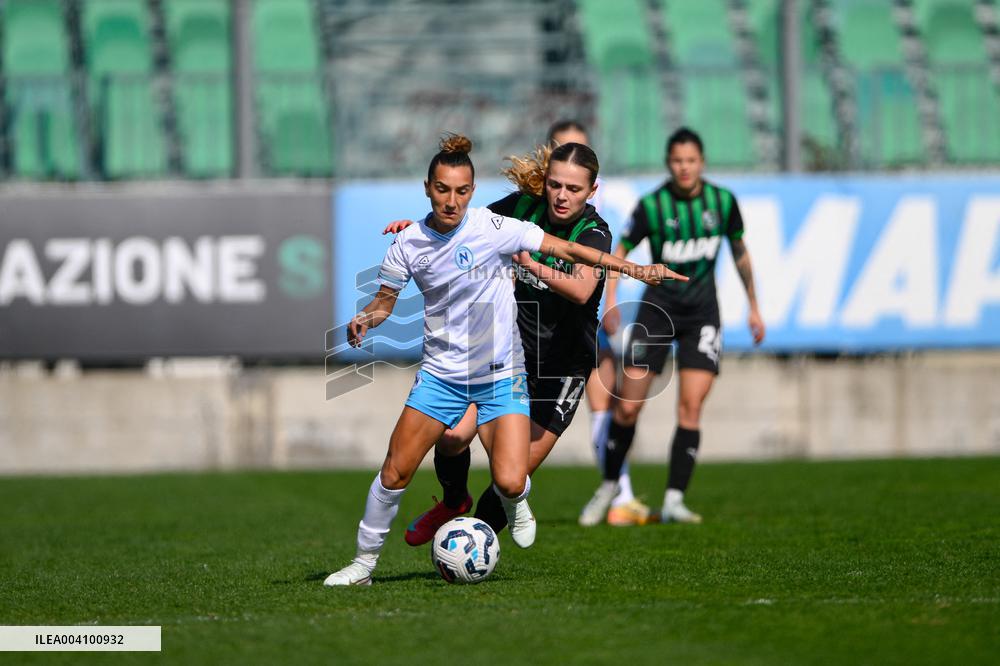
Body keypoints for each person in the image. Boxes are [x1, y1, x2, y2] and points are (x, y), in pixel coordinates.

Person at [325, 134, 682, 586]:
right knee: (452, 440)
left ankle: (474, 540)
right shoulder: (515, 211)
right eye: (555, 184)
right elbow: (458, 226)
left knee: (511, 479)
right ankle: (451, 506)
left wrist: (619, 268)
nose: (561, 195)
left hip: (561, 365)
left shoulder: (592, 231)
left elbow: (580, 287)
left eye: (573, 188)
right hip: (499, 354)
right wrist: (414, 229)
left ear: (592, 191)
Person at [578, 127, 765, 526]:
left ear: (702, 162)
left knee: (690, 407)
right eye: (677, 161)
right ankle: (611, 485)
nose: (684, 167)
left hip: (701, 315)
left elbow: (740, 253)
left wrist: (754, 306)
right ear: (669, 163)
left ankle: (676, 499)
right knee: (627, 407)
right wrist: (610, 300)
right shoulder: (653, 206)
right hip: (656, 314)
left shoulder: (723, 202)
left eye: (691, 161)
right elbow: (621, 251)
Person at [545, 119, 651, 527]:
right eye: (563, 147)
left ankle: (618, 491)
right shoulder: (537, 201)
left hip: (587, 313)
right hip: (548, 322)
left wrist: (608, 301)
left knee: (601, 401)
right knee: (592, 405)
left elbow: (601, 258)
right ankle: (616, 492)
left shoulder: (593, 205)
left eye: (581, 149)